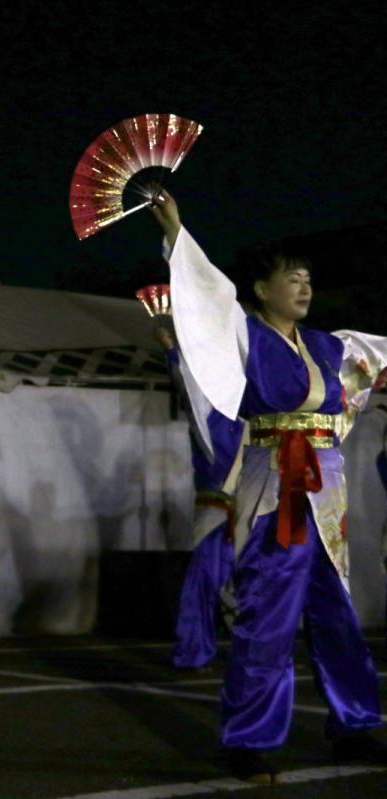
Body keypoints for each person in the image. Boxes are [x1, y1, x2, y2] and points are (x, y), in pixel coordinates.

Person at [150, 190, 387, 783]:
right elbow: (205, 298)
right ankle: (250, 739)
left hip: (326, 492)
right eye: (291, 279)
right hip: (274, 482)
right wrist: (178, 232)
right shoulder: (243, 335)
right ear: (261, 289)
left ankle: (356, 724)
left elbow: (375, 361)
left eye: (308, 279)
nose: (304, 288)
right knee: (267, 616)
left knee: (338, 615)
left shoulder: (330, 346)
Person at [151, 318, 245, 671]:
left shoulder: (261, 415)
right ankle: (195, 648)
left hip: (254, 508)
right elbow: (189, 385)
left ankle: (254, 648)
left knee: (255, 584)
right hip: (216, 509)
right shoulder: (209, 416)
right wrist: (173, 350)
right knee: (204, 582)